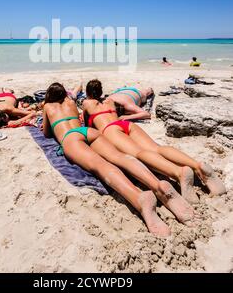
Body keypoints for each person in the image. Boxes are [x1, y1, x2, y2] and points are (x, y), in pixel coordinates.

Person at [43, 83, 198, 235]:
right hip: (88, 131)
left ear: (49, 96)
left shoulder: (47, 107)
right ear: (64, 94)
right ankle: (157, 185)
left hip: (71, 138)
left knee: (100, 165)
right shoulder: (71, 102)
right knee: (120, 157)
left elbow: (47, 133)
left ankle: (139, 198)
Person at [83, 80, 226, 203]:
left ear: (88, 93)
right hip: (126, 125)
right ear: (101, 91)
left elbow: (87, 125)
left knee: (139, 153)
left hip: (110, 129)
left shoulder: (87, 103)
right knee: (156, 148)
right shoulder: (110, 101)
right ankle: (197, 165)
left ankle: (178, 172)